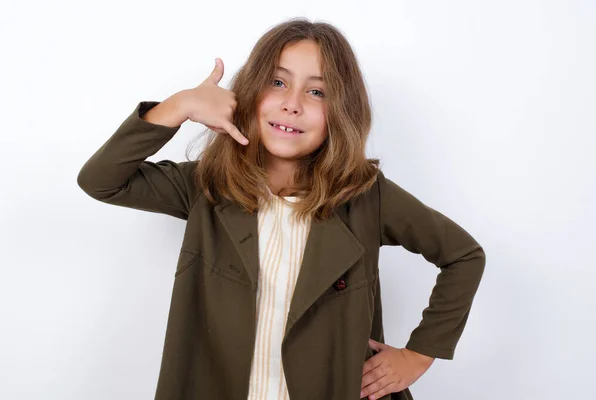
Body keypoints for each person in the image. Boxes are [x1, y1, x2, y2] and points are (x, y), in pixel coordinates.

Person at [77, 17, 485, 400]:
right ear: (250, 93)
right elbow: (102, 180)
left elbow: (464, 256)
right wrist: (180, 105)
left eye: (316, 91)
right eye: (278, 82)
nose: (292, 104)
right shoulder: (207, 184)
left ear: (340, 111)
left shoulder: (365, 195)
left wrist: (418, 355)